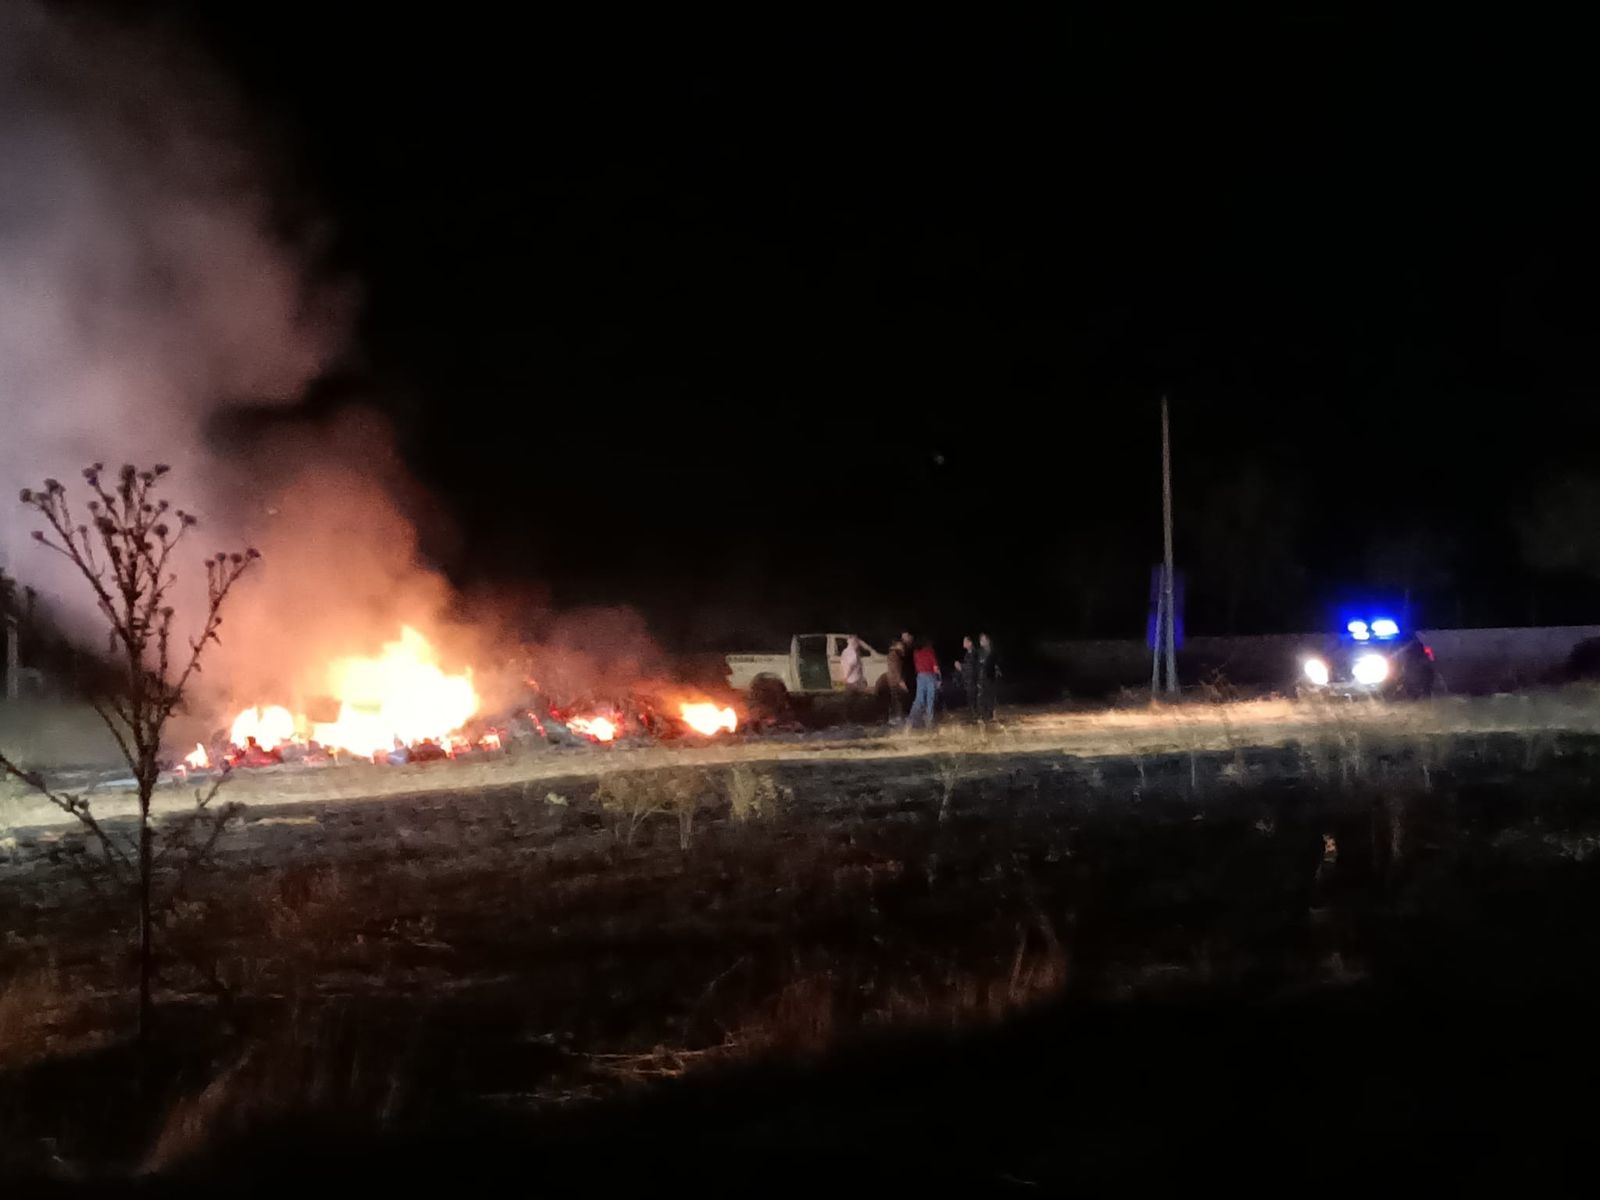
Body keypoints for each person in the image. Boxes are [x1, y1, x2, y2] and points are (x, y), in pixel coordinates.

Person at [906, 637, 941, 729]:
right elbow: (935, 667)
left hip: (920, 677)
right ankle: (929, 722)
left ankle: (911, 721)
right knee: (930, 700)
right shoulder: (930, 651)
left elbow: (917, 664)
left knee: (919, 700)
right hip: (930, 676)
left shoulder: (916, 652)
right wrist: (939, 679)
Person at [885, 631, 913, 722]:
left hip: (895, 682)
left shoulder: (896, 655)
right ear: (897, 645)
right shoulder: (895, 656)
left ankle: (896, 719)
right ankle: (897, 720)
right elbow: (896, 670)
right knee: (898, 702)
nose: (903, 647)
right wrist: (901, 682)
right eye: (901, 645)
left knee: (897, 701)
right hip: (896, 683)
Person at [976, 632, 999, 721]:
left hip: (991, 678)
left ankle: (992, 715)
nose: (981, 641)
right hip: (981, 678)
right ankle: (982, 715)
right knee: (981, 698)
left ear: (988, 641)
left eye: (983, 639)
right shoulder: (979, 652)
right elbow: (977, 665)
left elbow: (996, 664)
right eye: (980, 640)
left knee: (991, 697)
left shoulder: (993, 652)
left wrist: (997, 670)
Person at [957, 635, 979, 719]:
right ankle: (974, 719)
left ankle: (975, 720)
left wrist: (960, 666)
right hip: (969, 680)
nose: (963, 643)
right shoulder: (968, 653)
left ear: (970, 643)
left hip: (973, 681)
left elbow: (972, 667)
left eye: (965, 641)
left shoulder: (973, 653)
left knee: (972, 700)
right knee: (970, 700)